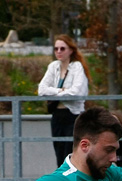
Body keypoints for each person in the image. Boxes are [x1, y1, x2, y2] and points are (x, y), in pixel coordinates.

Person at [38, 34, 90, 168]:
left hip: (73, 115)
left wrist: (54, 92)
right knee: (59, 152)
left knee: (71, 152)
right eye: (56, 49)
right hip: (57, 115)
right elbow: (42, 89)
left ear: (71, 50)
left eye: (62, 48)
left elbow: (76, 92)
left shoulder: (77, 67)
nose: (59, 52)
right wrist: (61, 91)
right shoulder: (53, 66)